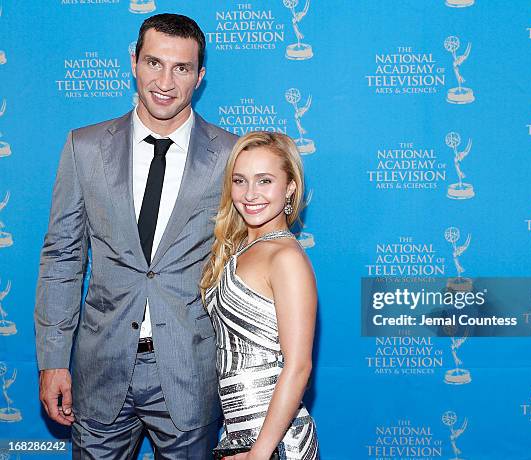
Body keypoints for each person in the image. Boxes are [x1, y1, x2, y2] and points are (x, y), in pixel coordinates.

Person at [34, 13, 236, 459]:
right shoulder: (83, 148)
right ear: (133, 62)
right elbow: (63, 259)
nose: (165, 81)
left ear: (200, 75)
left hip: (191, 369)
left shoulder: (229, 155)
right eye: (154, 63)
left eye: (181, 68)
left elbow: (250, 262)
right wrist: (52, 359)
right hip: (101, 366)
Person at [201, 132, 320, 460]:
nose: (250, 194)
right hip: (240, 435)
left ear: (290, 187)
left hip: (276, 443)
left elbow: (298, 367)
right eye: (240, 181)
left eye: (264, 181)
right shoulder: (240, 248)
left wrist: (260, 453)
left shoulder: (286, 258)